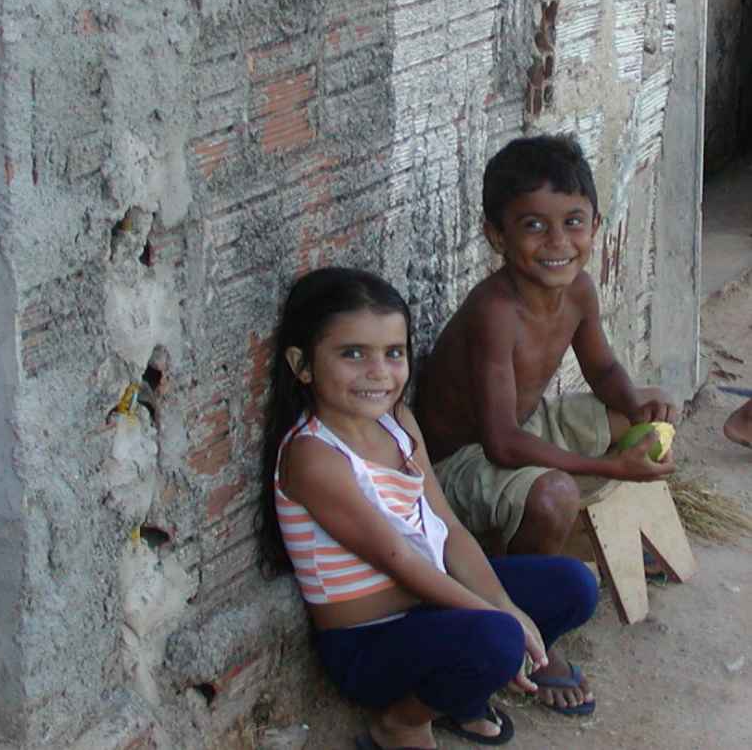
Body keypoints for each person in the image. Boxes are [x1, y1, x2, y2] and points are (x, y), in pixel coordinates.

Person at [258, 267, 599, 750]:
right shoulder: (313, 455)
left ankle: (460, 692)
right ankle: (402, 721)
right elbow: (399, 562)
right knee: (497, 639)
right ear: (302, 364)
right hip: (368, 646)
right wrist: (499, 618)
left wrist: (505, 606)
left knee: (574, 585)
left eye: (393, 353)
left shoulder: (398, 422)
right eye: (353, 354)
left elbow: (448, 528)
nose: (378, 372)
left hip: (429, 610)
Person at [414, 134, 678, 711]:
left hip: (524, 426)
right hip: (458, 463)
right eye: (534, 226)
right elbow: (503, 444)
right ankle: (525, 625)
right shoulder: (495, 311)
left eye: (574, 222)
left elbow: (604, 368)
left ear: (596, 222)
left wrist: (637, 407)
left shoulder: (579, 289)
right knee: (555, 494)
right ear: (496, 235)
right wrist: (611, 466)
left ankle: (609, 541)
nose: (558, 243)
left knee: (638, 406)